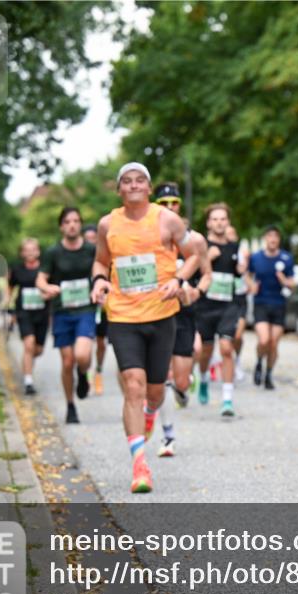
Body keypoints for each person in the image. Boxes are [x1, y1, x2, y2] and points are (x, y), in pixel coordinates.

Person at [90, 163, 207, 493]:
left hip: (161, 315)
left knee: (154, 392)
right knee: (133, 384)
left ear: (149, 187)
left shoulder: (166, 219)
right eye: (126, 181)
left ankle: (152, 414)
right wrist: (99, 280)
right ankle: (140, 465)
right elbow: (101, 261)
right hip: (122, 316)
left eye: (140, 179)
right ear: (119, 190)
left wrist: (178, 279)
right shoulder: (107, 224)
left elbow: (195, 254)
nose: (133, 185)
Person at [153, 182, 212, 457]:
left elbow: (207, 275)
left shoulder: (196, 240)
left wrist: (197, 291)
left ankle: (182, 391)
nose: (168, 209)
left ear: (180, 206)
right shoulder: (149, 239)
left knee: (181, 381)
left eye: (173, 203)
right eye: (163, 204)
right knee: (162, 375)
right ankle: (167, 436)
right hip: (157, 313)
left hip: (185, 314)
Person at [36, 207, 97, 424]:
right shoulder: (53, 252)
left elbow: (102, 271)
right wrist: (47, 287)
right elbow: (40, 279)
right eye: (67, 221)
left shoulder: (91, 250)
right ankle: (70, 405)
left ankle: (83, 374)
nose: (72, 225)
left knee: (81, 355)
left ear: (80, 224)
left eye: (76, 221)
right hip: (62, 310)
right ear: (61, 226)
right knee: (67, 361)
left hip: (86, 309)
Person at [194, 202, 247, 417]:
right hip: (205, 306)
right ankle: (204, 378)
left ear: (228, 222)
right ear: (208, 223)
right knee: (205, 351)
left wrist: (241, 270)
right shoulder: (201, 246)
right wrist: (207, 258)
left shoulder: (235, 248)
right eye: (215, 219)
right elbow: (192, 273)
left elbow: (238, 277)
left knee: (226, 347)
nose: (219, 222)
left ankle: (227, 399)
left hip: (228, 305)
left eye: (223, 219)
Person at [247, 225, 295, 389]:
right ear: (265, 239)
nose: (273, 239)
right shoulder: (256, 258)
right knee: (264, 339)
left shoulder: (286, 258)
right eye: (269, 236)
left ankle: (268, 374)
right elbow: (248, 276)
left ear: (279, 240)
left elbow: (292, 284)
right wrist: (251, 286)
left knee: (274, 343)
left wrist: (284, 280)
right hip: (260, 303)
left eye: (276, 237)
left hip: (278, 304)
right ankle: (259, 362)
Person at [7, 239, 49, 395]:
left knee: (37, 350)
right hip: (24, 312)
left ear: (38, 252)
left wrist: (47, 294)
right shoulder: (17, 270)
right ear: (22, 253)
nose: (30, 252)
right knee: (29, 344)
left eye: (33, 249)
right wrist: (9, 308)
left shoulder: (45, 270)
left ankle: (27, 364)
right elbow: (10, 287)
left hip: (42, 313)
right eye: (27, 250)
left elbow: (52, 287)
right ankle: (28, 381)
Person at [83, 223, 110, 395]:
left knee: (101, 343)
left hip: (103, 307)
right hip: (85, 306)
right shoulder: (80, 259)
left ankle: (98, 371)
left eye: (94, 239)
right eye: (88, 240)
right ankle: (85, 373)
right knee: (85, 343)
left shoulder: (105, 258)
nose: (92, 243)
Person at [226, 225, 250, 383]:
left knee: (238, 335)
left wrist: (250, 283)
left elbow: (246, 272)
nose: (229, 237)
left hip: (240, 297)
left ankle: (238, 359)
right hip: (226, 297)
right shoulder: (217, 251)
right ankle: (226, 362)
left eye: (232, 234)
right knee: (225, 336)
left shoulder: (242, 253)